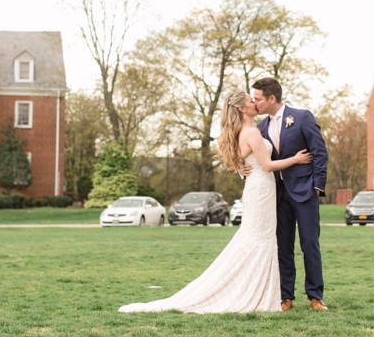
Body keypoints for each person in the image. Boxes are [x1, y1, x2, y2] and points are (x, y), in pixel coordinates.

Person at [118, 90, 311, 314]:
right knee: (260, 239)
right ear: (241, 108)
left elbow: (238, 159)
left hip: (257, 189)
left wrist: (240, 166)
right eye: (251, 101)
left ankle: (260, 290)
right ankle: (255, 293)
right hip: (261, 189)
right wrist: (296, 159)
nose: (255, 104)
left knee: (258, 238)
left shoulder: (243, 132)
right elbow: (267, 165)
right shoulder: (252, 133)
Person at [251, 77, 329, 312]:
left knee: (309, 244)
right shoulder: (261, 127)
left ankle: (315, 296)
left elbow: (320, 152)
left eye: (258, 99)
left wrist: (317, 186)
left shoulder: (302, 117)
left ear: (271, 98)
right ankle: (286, 296)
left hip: (305, 192)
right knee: (283, 247)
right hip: (277, 195)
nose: (255, 104)